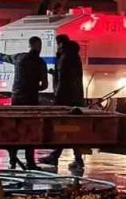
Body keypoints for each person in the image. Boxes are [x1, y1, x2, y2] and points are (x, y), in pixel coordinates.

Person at [39, 38, 88, 174]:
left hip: (67, 100)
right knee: (71, 130)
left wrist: (58, 99)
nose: (57, 47)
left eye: (58, 44)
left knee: (66, 129)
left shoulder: (65, 58)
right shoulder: (73, 57)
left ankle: (57, 157)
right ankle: (72, 158)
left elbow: (64, 81)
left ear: (62, 44)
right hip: (75, 99)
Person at [10, 36, 48, 172]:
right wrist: (32, 88)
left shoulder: (19, 57)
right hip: (30, 99)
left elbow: (4, 57)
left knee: (15, 128)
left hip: (16, 98)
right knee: (30, 130)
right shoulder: (40, 62)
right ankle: (30, 162)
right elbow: (44, 85)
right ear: (38, 45)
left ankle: (12, 160)